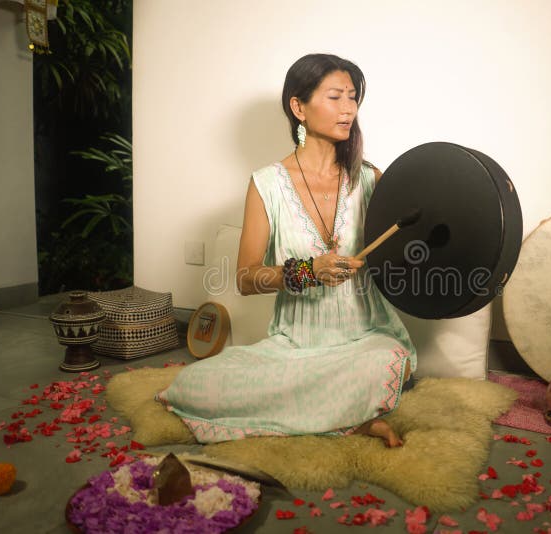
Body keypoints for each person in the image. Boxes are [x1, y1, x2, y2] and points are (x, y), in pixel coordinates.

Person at [156, 53, 416, 448]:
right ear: (299, 107)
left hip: (365, 340)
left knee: (382, 360)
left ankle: (335, 407)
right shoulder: (267, 184)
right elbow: (245, 278)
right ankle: (351, 416)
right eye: (335, 97)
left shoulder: (370, 179)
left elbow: (402, 255)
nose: (349, 109)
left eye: (353, 98)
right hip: (294, 347)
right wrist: (308, 271)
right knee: (193, 385)